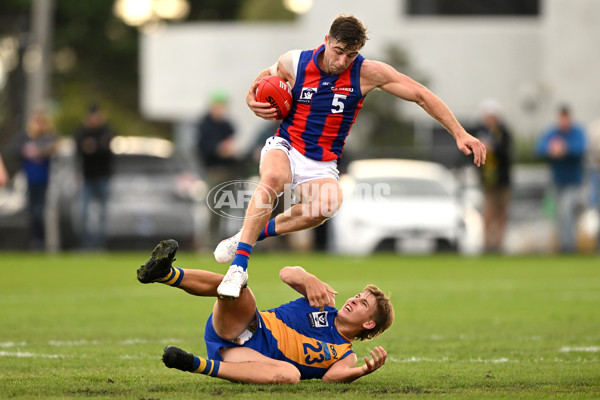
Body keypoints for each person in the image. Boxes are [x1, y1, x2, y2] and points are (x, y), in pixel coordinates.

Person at [213, 14, 487, 299]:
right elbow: (262, 80)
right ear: (327, 41)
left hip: (322, 162)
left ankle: (248, 236)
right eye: (339, 52)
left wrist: (459, 133)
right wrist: (250, 98)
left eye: (351, 54)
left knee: (327, 206)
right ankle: (239, 267)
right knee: (273, 177)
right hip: (286, 145)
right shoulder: (294, 62)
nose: (343, 61)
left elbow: (420, 94)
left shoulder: (366, 72)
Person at [136, 239, 394, 384]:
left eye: (363, 304)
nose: (354, 299)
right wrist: (307, 276)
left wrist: (363, 371)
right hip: (244, 323)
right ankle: (166, 274)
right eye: (358, 295)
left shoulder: (345, 354)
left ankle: (194, 364)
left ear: (369, 324)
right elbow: (286, 273)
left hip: (240, 356)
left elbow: (332, 378)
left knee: (291, 376)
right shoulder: (323, 302)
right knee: (237, 286)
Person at [536, 105, 587, 253]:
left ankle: (568, 246)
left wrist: (565, 149)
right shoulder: (553, 133)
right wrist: (551, 149)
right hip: (557, 181)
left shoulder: (577, 132)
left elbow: (580, 148)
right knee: (558, 214)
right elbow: (539, 148)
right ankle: (563, 243)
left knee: (567, 210)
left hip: (574, 182)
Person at [196, 90, 238, 243]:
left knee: (225, 209)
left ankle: (222, 241)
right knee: (213, 208)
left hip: (228, 171)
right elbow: (203, 148)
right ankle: (208, 242)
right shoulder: (205, 125)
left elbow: (232, 146)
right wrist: (218, 149)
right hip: (213, 171)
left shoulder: (227, 125)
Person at [474, 98, 512, 253]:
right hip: (487, 180)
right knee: (488, 212)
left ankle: (499, 243)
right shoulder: (479, 131)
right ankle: (487, 242)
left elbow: (506, 152)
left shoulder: (504, 132)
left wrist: (493, 148)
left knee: (501, 212)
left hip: (502, 180)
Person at [75, 104, 115, 249]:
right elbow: (80, 148)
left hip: (103, 177)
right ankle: (86, 244)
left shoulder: (106, 130)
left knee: (102, 214)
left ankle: (101, 244)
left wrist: (94, 147)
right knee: (84, 213)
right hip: (87, 178)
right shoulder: (82, 132)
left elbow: (104, 148)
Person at [19, 109, 58, 249]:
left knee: (39, 211)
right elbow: (16, 150)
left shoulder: (48, 137)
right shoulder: (26, 137)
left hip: (43, 180)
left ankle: (40, 241)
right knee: (31, 211)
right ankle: (33, 241)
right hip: (29, 179)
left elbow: (54, 149)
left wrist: (40, 151)